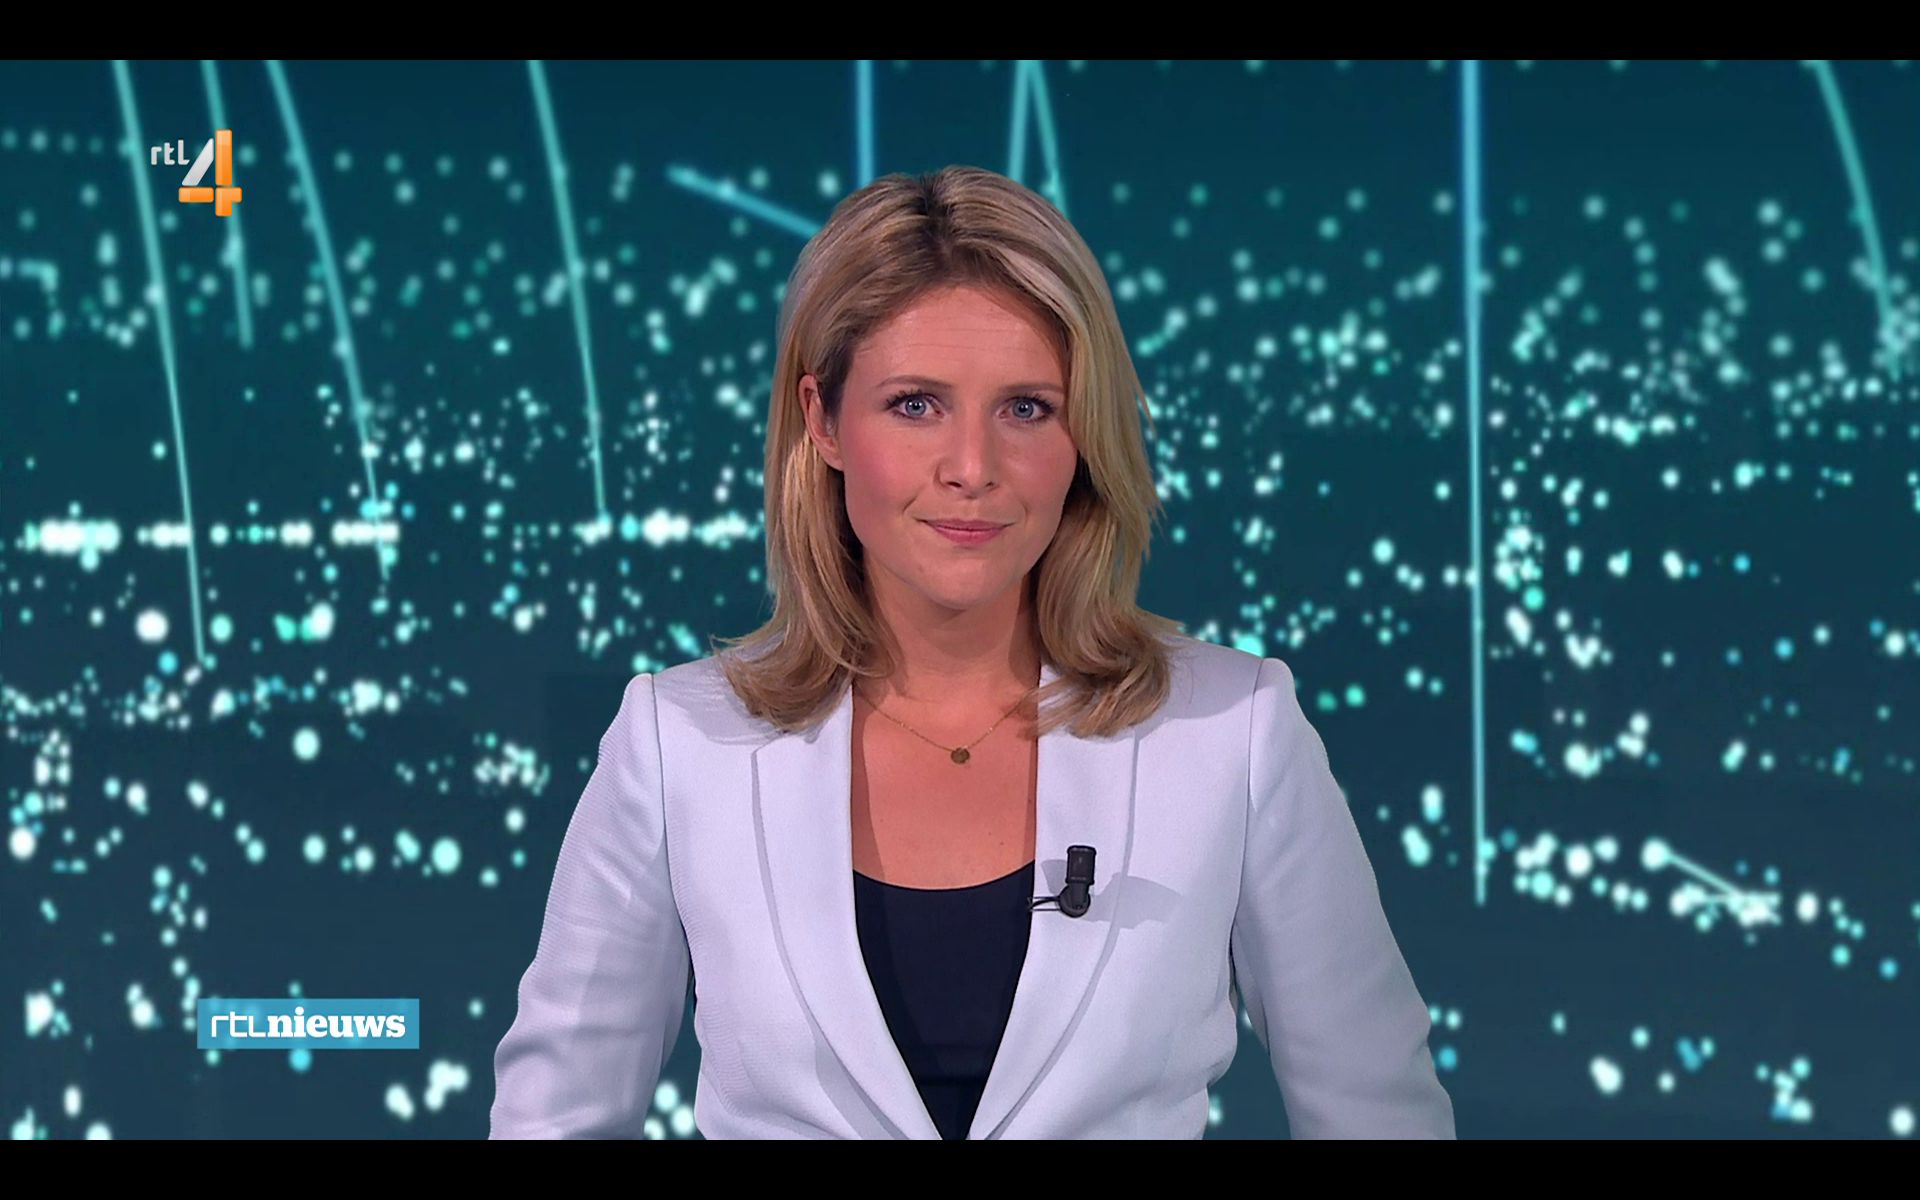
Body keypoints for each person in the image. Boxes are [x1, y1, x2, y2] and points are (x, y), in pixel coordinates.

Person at [489, 164, 1455, 1139]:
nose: (971, 469)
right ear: (823, 419)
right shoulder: (678, 746)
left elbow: (1378, 1112)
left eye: (1026, 408)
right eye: (916, 404)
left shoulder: (1233, 732)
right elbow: (551, 1119)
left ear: (1085, 434)